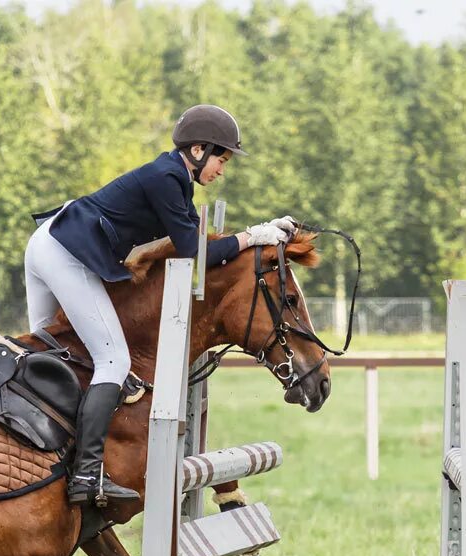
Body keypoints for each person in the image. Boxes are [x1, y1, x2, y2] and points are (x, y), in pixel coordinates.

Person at [25, 104, 295, 507]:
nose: (222, 169)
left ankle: (37, 457)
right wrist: (254, 237)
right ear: (199, 149)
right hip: (65, 253)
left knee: (52, 354)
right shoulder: (168, 177)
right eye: (221, 159)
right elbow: (197, 252)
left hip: (50, 242)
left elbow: (196, 246)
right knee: (114, 362)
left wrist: (251, 236)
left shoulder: (172, 178)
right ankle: (86, 474)